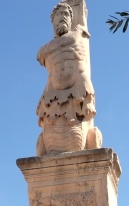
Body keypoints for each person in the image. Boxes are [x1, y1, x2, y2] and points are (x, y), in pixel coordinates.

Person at [35, 1, 102, 155]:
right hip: (53, 95)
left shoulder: (78, 34)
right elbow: (38, 55)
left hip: (77, 91)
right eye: (59, 14)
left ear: (72, 19)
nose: (63, 17)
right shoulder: (46, 48)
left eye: (66, 14)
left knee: (82, 133)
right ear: (52, 21)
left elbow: (43, 53)